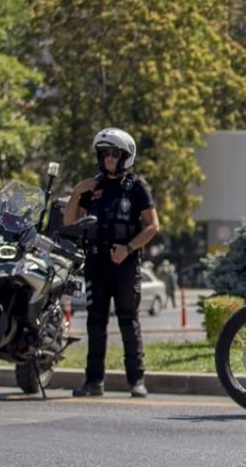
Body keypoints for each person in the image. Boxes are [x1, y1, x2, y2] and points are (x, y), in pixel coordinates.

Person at [64, 127, 160, 399]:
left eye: (113, 153)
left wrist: (128, 249)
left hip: (125, 263)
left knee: (129, 321)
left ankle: (136, 380)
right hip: (95, 262)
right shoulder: (92, 188)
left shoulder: (137, 187)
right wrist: (76, 192)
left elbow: (153, 226)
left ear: (125, 156)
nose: (108, 158)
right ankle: (94, 381)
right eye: (104, 153)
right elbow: (70, 222)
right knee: (95, 322)